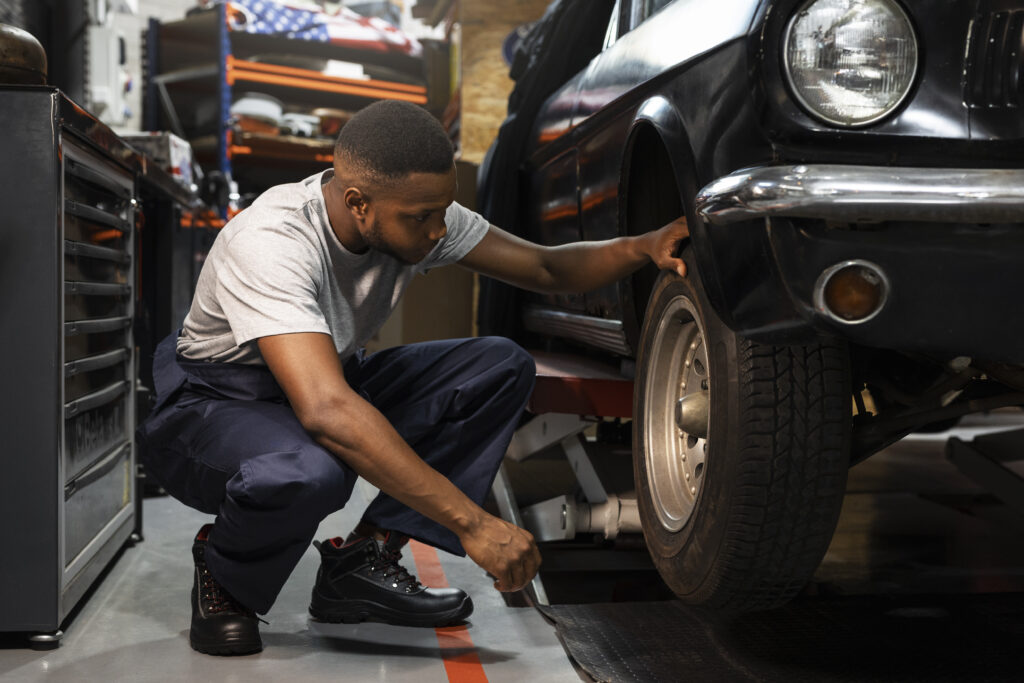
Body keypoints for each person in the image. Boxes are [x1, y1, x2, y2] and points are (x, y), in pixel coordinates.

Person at [137, 99, 689, 656]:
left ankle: (363, 560)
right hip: (216, 406)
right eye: (421, 217)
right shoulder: (272, 242)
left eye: (443, 210)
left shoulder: (417, 212)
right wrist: (474, 525)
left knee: (497, 366)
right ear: (358, 203)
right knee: (310, 470)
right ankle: (225, 574)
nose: (438, 231)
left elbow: (546, 268)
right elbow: (326, 411)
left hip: (323, 380)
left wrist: (642, 246)